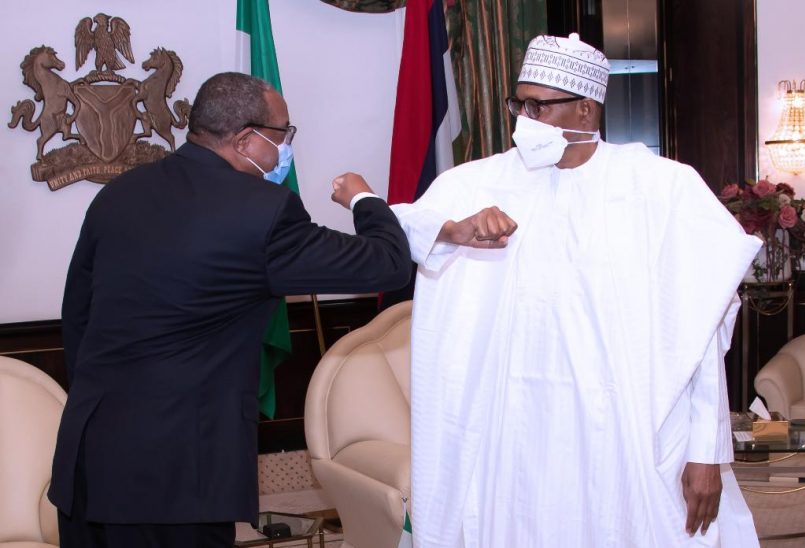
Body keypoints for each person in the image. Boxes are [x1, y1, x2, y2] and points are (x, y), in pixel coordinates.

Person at [391, 34, 763, 547]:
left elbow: (704, 329)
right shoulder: (475, 183)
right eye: (518, 104)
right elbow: (401, 230)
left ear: (586, 109)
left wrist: (708, 450)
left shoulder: (661, 187)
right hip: (512, 439)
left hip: (625, 437)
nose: (523, 120)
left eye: (538, 107)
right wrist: (455, 228)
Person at [49, 71, 411, 548]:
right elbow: (387, 263)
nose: (284, 148)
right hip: (177, 482)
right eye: (282, 134)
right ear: (246, 140)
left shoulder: (119, 194)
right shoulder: (263, 212)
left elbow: (78, 318)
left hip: (88, 466)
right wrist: (364, 198)